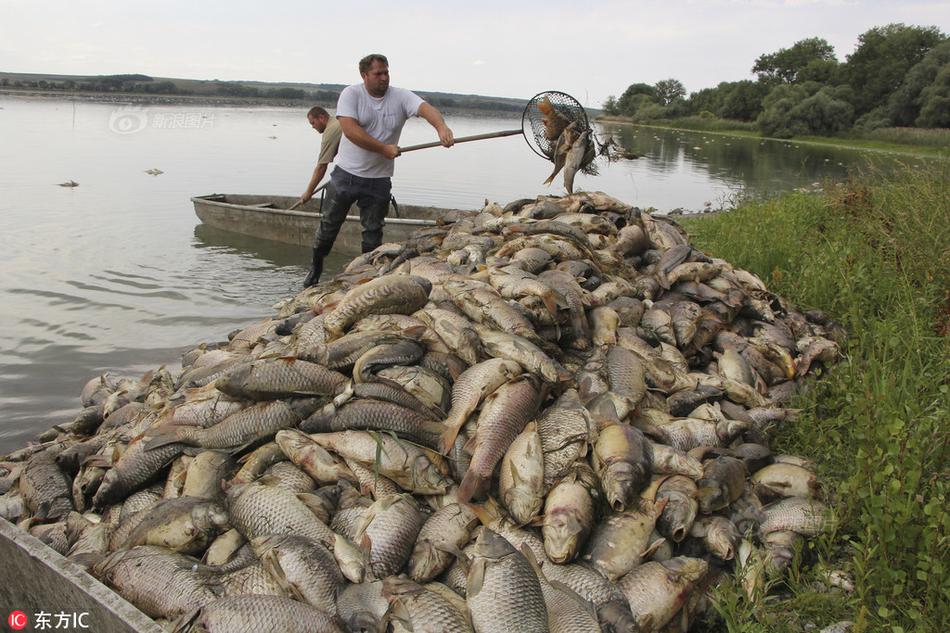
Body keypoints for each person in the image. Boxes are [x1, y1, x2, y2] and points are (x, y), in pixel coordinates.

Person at [302, 53, 454, 287]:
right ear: (365, 75)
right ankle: (315, 269)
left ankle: (366, 279)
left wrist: (441, 128)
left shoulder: (400, 96)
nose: (384, 77)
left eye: (386, 72)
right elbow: (351, 130)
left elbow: (426, 109)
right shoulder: (351, 94)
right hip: (345, 175)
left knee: (373, 234)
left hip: (379, 180)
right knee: (328, 226)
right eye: (378, 74)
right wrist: (383, 148)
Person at [297, 106, 342, 207]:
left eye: (313, 123)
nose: (312, 127)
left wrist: (308, 192)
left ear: (321, 118)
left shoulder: (331, 131)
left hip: (357, 171)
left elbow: (321, 167)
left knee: (333, 193)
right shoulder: (337, 121)